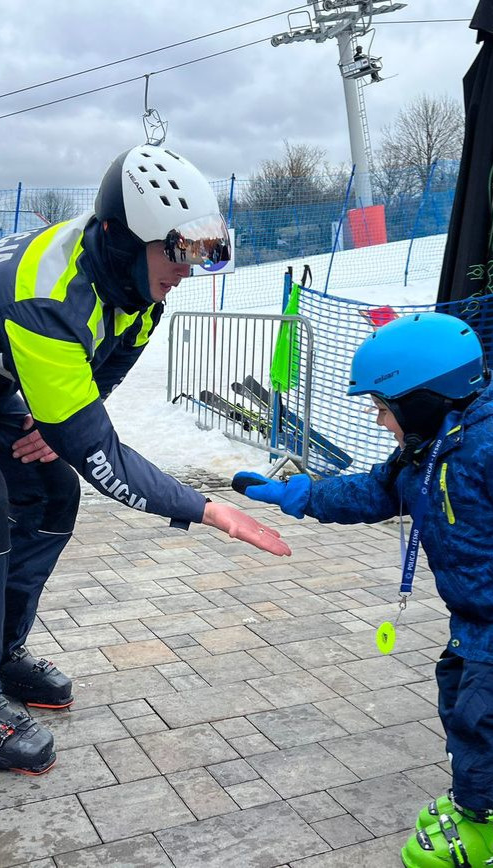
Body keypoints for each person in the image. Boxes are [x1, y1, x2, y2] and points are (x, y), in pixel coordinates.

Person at [0, 144, 290, 776]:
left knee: (50, 493)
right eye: (176, 252)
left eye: (199, 254)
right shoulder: (49, 295)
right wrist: (204, 506)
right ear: (121, 238)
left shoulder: (140, 289)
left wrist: (62, 421)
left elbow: (106, 371)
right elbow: (100, 455)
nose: (186, 271)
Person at [232, 312, 493, 867]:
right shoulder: (428, 449)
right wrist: (298, 495)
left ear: (422, 400)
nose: (379, 422)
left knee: (481, 718)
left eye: (383, 409)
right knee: (459, 706)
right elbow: (375, 493)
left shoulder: (485, 448)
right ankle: (478, 804)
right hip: (472, 619)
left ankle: (483, 827)